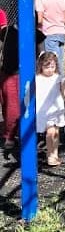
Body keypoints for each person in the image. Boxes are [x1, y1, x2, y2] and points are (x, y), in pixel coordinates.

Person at [34, 50, 65, 167]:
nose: (50, 69)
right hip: (43, 110)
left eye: (53, 66)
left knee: (56, 132)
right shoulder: (37, 78)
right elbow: (30, 93)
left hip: (57, 109)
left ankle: (55, 153)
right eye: (47, 66)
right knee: (50, 132)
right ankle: (50, 155)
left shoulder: (58, 78)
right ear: (40, 65)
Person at [35, 0, 65, 73]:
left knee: (51, 61)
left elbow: (40, 20)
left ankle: (55, 83)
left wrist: (37, 27)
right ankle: (61, 82)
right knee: (59, 60)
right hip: (61, 32)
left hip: (48, 33)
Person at [0, 9, 20, 162]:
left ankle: (13, 135)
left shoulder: (36, 34)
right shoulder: (6, 32)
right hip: (7, 73)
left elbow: (41, 54)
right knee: (9, 106)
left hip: (23, 75)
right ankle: (10, 134)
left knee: (19, 106)